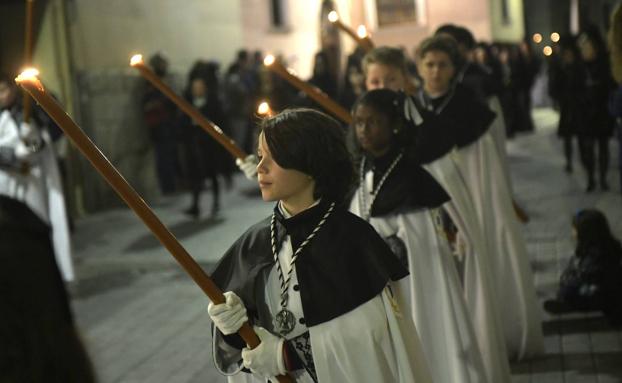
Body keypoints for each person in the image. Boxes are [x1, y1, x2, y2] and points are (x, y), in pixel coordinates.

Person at [209, 108, 432, 382]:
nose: (260, 167)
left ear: (310, 164)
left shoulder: (353, 240)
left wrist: (287, 356)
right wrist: (229, 327)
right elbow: (245, 350)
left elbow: (373, 337)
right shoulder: (252, 243)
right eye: (260, 154)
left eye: (274, 157)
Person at [360, 42, 512, 383]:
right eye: (374, 81)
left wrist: (453, 229)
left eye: (389, 79)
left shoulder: (427, 130)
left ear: (404, 80)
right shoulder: (363, 130)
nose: (381, 87)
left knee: (435, 321)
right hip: (385, 258)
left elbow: (447, 188)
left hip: (429, 250)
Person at [414, 36, 544, 362]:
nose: (435, 71)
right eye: (429, 64)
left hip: (470, 201)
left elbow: (483, 167)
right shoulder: (412, 109)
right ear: (419, 68)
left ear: (453, 69)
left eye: (442, 65)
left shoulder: (469, 109)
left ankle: (484, 337)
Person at [348, 89, 490, 383]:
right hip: (375, 280)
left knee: (426, 333)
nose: (363, 129)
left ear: (393, 124)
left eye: (373, 122)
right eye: (358, 122)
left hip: (415, 280)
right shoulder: (361, 169)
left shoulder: (412, 176)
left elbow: (423, 238)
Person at [0, 73, 95, 382]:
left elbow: (54, 131)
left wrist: (35, 139)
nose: (2, 96)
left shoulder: (30, 107)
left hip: (35, 187)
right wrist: (12, 156)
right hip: (9, 187)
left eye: (3, 89)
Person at [544, 209, 622, 325]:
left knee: (567, 292)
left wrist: (568, 280)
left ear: (585, 232)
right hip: (602, 286)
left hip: (607, 295)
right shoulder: (602, 245)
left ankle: (572, 305)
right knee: (568, 285)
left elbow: (586, 278)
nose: (573, 232)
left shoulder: (599, 255)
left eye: (574, 229)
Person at [180, 61, 227, 218]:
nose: (197, 90)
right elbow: (182, 121)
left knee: (212, 173)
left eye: (200, 87)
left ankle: (216, 203)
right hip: (194, 142)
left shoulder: (212, 102)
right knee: (195, 175)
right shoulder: (188, 103)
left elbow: (220, 121)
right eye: (195, 87)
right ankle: (195, 205)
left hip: (209, 143)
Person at [577, 27, 616, 192]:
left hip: (601, 113)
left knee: (603, 148)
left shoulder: (603, 65)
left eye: (588, 47)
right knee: (587, 149)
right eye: (584, 48)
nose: (586, 51)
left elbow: (610, 87)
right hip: (586, 114)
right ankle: (591, 178)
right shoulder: (580, 68)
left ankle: (602, 178)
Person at [140, 53, 179, 195]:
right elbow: (149, 105)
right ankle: (167, 187)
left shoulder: (164, 81)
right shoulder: (151, 84)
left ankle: (172, 185)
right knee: (163, 157)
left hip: (168, 124)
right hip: (159, 126)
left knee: (170, 156)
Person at [548, 35, 585, 174]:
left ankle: (584, 160)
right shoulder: (559, 64)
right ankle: (569, 161)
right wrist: (558, 99)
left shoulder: (578, 64)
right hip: (566, 104)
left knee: (581, 135)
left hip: (578, 104)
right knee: (567, 137)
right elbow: (554, 84)